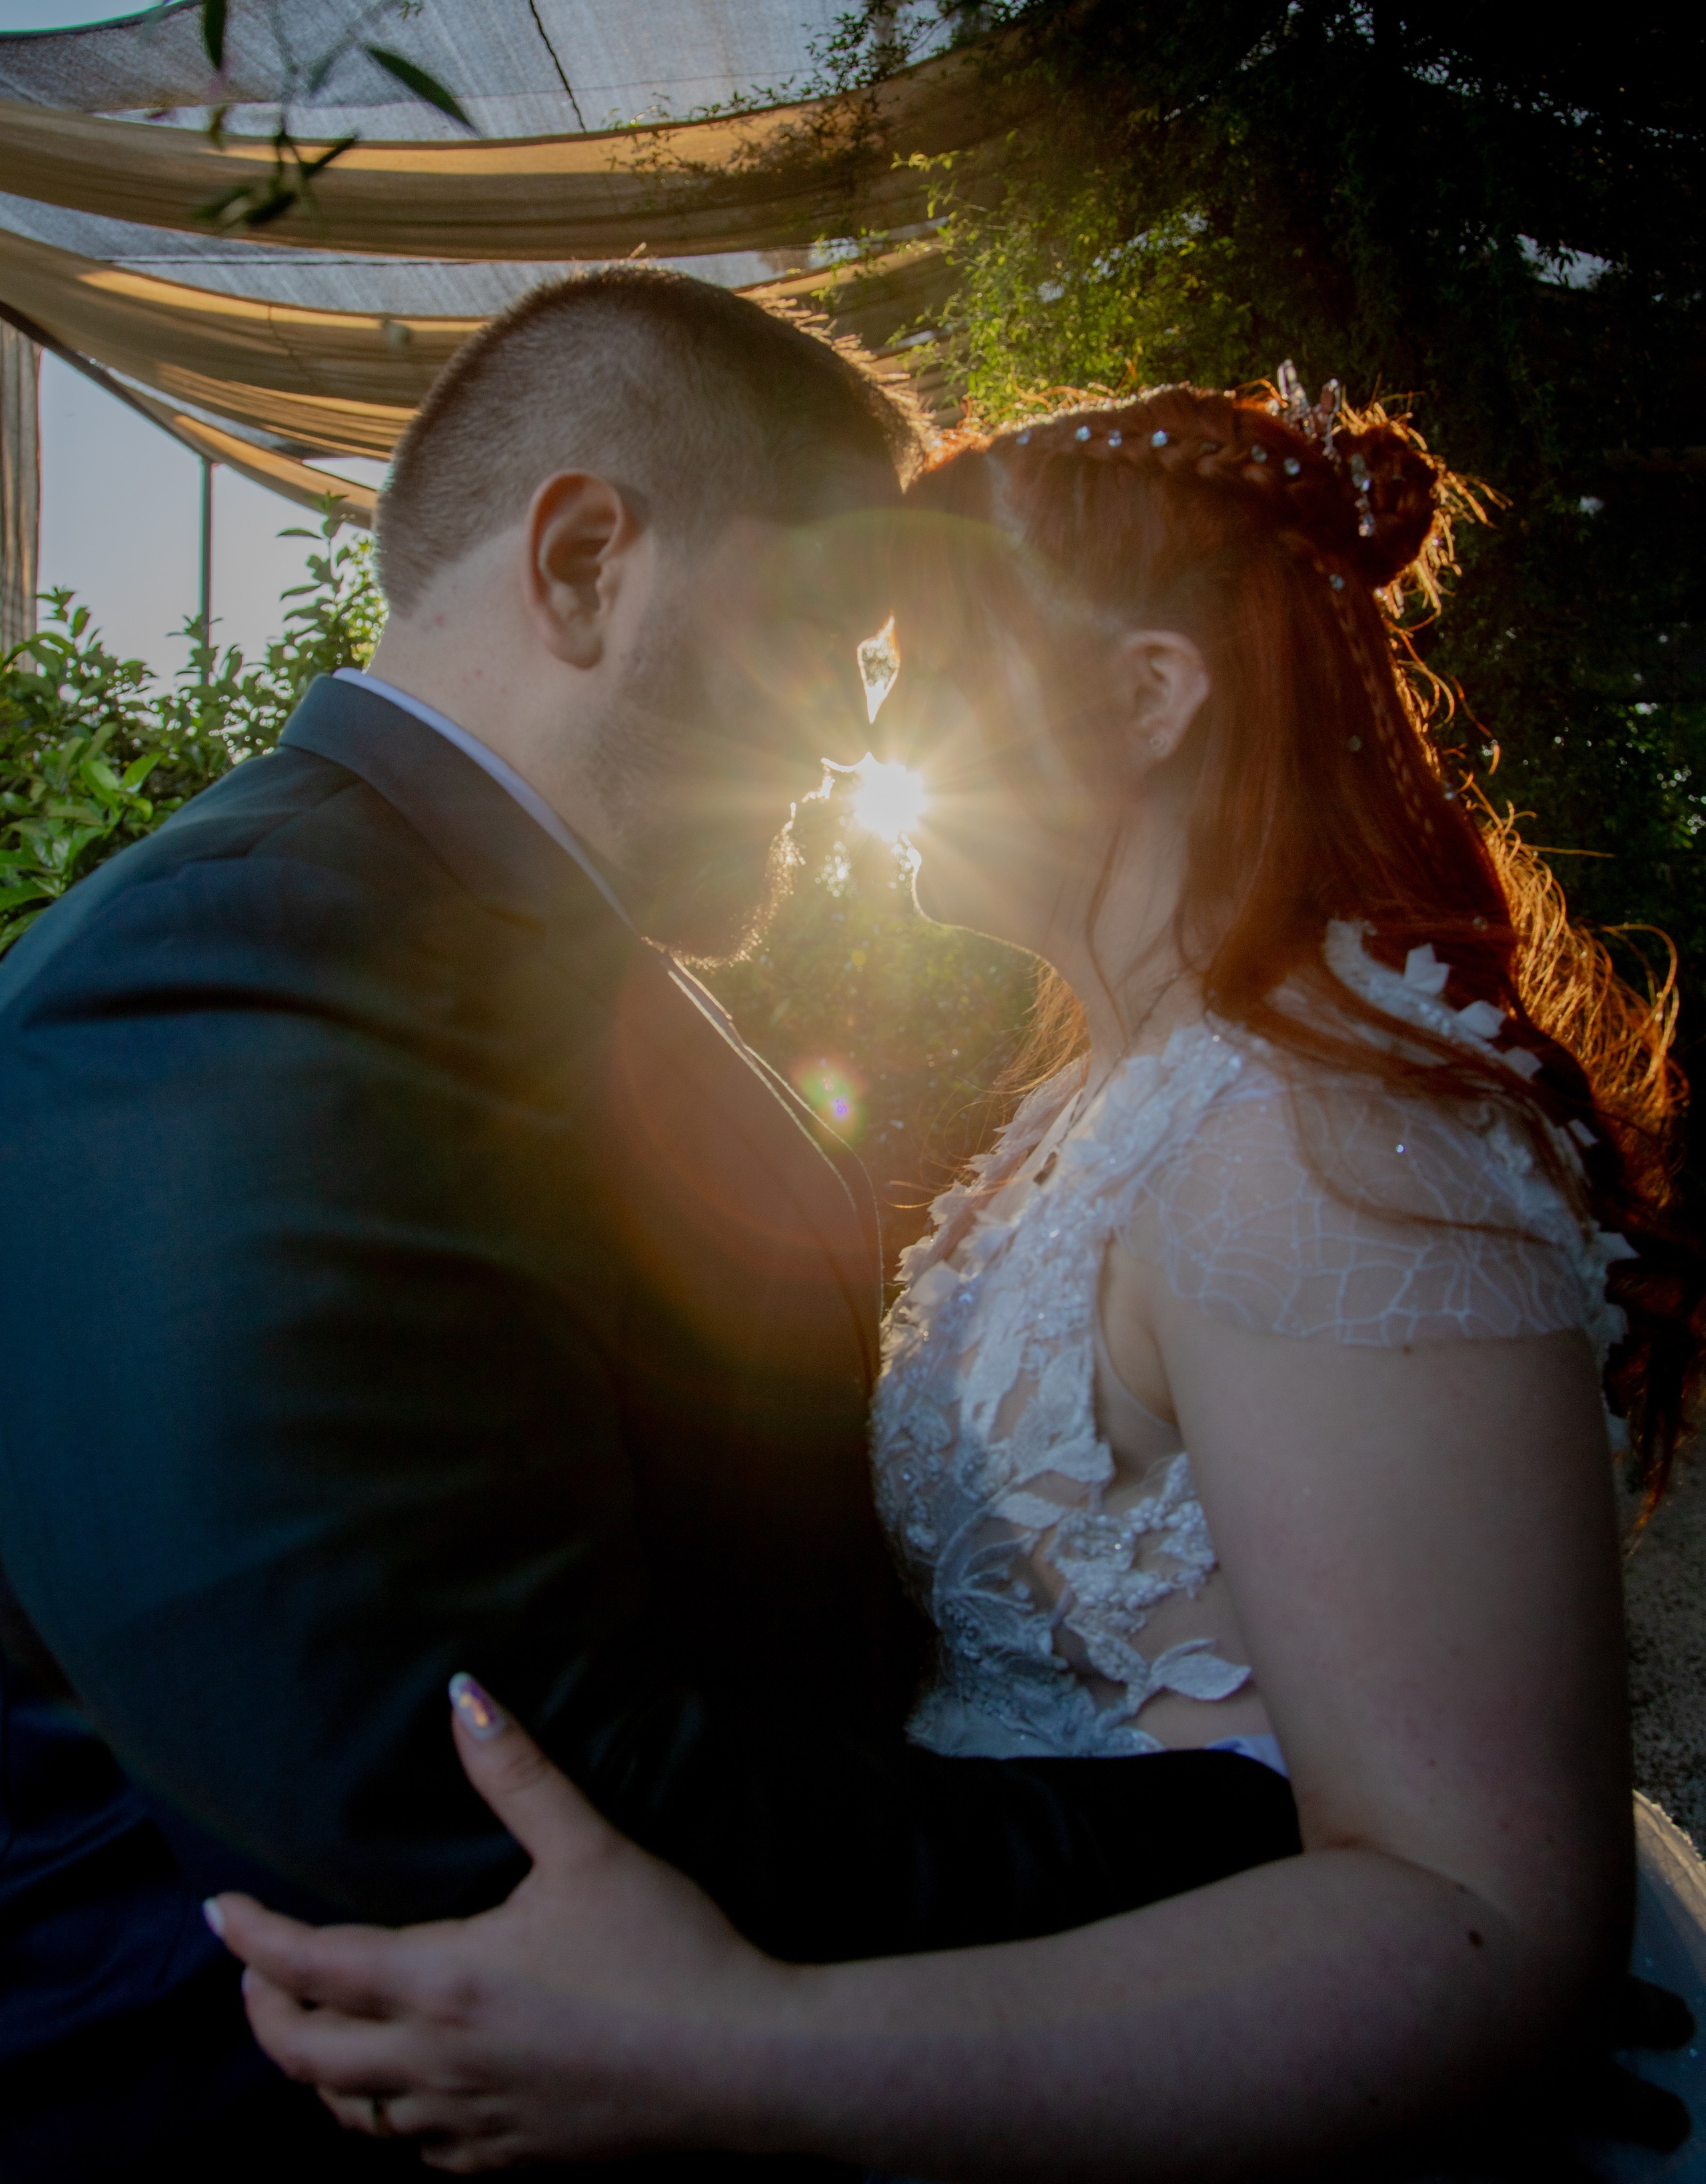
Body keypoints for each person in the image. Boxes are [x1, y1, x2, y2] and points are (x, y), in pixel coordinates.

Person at [216, 379, 1706, 2179]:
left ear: (1150, 696)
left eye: (928, 656)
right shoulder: (1117, 1106)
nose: (873, 723)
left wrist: (741, 2047)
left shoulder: (1315, 1145)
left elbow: (1475, 1915)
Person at [0, 279, 1315, 2184]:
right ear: (591, 561)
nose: (856, 727)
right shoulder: (220, 997)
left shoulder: (540, 960)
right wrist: (1253, 1834)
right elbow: (499, 1827)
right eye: (826, 636)